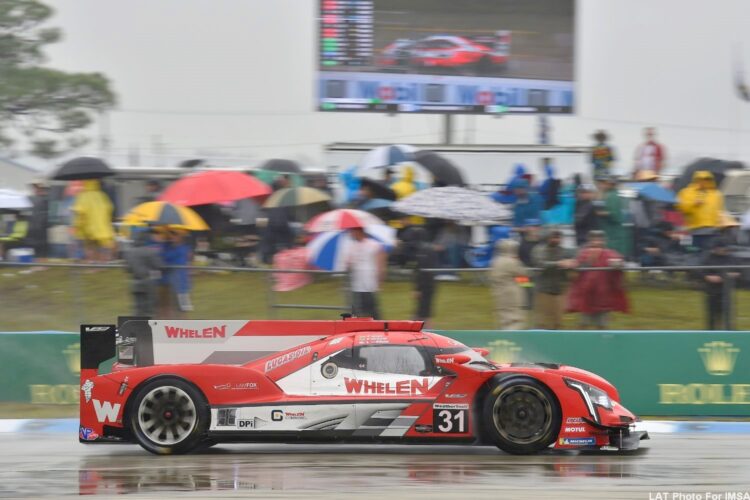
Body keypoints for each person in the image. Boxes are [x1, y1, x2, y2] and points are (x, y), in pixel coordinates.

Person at [567, 230, 629, 329]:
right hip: (587, 296)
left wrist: (618, 264)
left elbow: (620, 264)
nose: (597, 242)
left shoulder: (610, 254)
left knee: (602, 325)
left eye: (599, 240)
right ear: (589, 241)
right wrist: (577, 265)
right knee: (583, 324)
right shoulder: (583, 254)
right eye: (594, 240)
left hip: (603, 296)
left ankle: (602, 342)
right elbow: (575, 270)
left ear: (604, 241)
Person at [530, 229, 576, 329]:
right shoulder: (539, 250)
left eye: (558, 237)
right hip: (543, 291)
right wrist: (558, 263)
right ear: (547, 238)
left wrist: (572, 263)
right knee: (542, 321)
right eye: (553, 237)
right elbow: (540, 263)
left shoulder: (563, 251)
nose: (556, 240)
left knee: (558, 321)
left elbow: (573, 262)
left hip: (559, 291)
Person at [677, 170, 724, 250]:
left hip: (712, 231)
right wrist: (693, 204)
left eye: (707, 179)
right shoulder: (686, 192)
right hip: (692, 230)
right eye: (701, 179)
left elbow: (720, 210)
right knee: (687, 250)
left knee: (708, 252)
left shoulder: (716, 194)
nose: (703, 182)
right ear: (696, 180)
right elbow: (681, 207)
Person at [71, 179, 116, 262]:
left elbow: (80, 213)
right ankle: (102, 265)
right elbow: (110, 209)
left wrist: (77, 226)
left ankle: (93, 266)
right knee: (104, 246)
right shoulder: (103, 195)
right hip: (103, 227)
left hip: (88, 228)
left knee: (90, 247)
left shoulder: (83, 196)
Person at [346, 226, 386, 318]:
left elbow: (381, 259)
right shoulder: (353, 247)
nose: (351, 234)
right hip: (357, 284)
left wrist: (380, 277)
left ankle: (379, 327)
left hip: (369, 283)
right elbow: (349, 264)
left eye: (352, 231)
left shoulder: (373, 244)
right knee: (356, 310)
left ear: (358, 231)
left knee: (372, 309)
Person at [124, 227, 163, 317]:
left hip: (134, 282)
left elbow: (127, 269)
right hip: (148, 282)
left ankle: (136, 329)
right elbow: (159, 265)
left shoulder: (129, 253)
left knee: (137, 309)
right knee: (150, 309)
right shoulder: (149, 251)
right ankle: (151, 329)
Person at [490, 239, 528, 330]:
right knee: (514, 316)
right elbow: (523, 272)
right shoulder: (511, 261)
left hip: (498, 291)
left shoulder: (496, 260)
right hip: (511, 291)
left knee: (503, 314)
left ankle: (505, 334)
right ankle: (513, 337)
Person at [701, 238, 738, 330]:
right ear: (716, 248)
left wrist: (731, 275)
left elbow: (738, 270)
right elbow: (700, 271)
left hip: (726, 290)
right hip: (712, 290)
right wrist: (707, 277)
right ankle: (711, 331)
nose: (725, 250)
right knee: (712, 314)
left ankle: (728, 330)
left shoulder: (731, 258)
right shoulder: (707, 258)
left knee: (727, 313)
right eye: (722, 248)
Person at [409, 227, 439, 325]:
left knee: (423, 314)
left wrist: (418, 289)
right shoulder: (430, 249)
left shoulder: (422, 251)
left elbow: (422, 271)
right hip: (431, 284)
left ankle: (426, 332)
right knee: (423, 312)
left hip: (426, 286)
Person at [596, 176, 628, 256]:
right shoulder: (607, 194)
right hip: (609, 232)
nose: (601, 185)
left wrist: (601, 213)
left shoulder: (613, 196)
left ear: (611, 185)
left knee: (612, 256)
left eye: (604, 183)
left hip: (612, 233)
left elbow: (615, 215)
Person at [27, 180, 49, 259]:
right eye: (35, 187)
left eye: (37, 187)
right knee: (35, 245)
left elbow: (47, 213)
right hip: (33, 227)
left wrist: (43, 222)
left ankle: (43, 264)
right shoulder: (32, 198)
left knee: (42, 245)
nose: (35, 189)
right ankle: (37, 263)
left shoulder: (46, 198)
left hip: (42, 227)